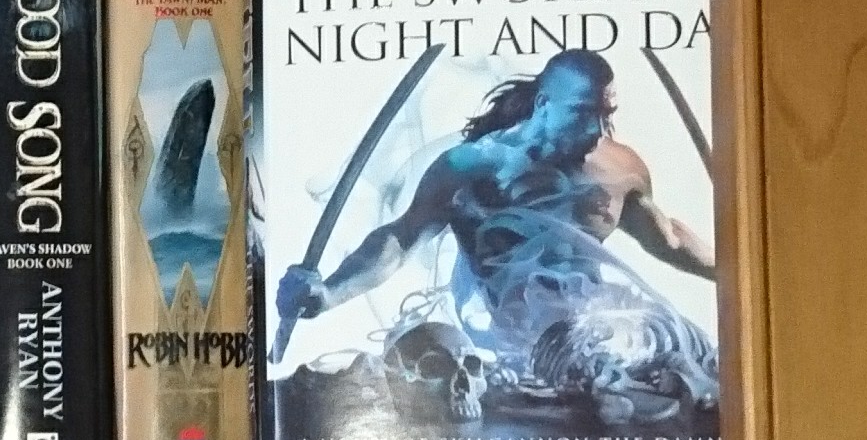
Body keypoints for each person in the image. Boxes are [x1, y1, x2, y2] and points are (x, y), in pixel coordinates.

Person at [274, 49, 716, 403]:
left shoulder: (620, 168)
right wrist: (329, 293)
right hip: (521, 344)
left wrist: (734, 268)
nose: (597, 130)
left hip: (612, 324)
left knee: (695, 356)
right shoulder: (473, 166)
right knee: (592, 364)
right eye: (583, 113)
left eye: (606, 113)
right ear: (543, 105)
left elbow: (670, 241)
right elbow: (402, 238)